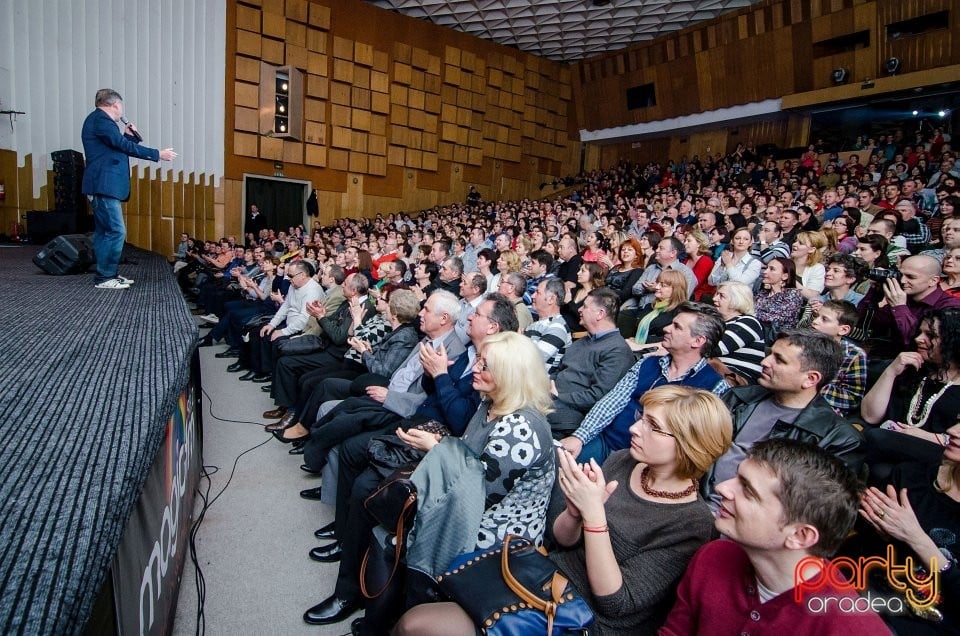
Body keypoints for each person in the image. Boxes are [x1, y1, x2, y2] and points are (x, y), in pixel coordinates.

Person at [397, 386, 734, 636]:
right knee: (417, 618)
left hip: (583, 617)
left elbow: (616, 603)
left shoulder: (691, 523)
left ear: (690, 443)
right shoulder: (624, 461)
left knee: (418, 626)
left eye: (652, 426)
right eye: (640, 418)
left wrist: (594, 517)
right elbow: (562, 540)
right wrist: (574, 512)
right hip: (546, 578)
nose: (634, 429)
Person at [391, 332, 556, 634]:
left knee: (405, 526)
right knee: (396, 516)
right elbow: (472, 459)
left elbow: (479, 495)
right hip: (472, 507)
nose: (476, 369)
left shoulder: (520, 427)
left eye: (486, 365)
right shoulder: (489, 403)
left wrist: (438, 449)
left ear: (510, 375)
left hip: (501, 537)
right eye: (479, 360)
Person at [660, 439, 889, 635]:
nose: (722, 488)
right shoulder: (714, 556)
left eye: (748, 490)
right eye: (737, 478)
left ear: (800, 535)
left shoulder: (851, 627)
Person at [704, 329, 864, 506]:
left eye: (779, 360)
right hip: (697, 498)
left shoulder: (838, 438)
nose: (764, 362)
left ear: (810, 379)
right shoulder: (739, 398)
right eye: (770, 354)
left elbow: (816, 506)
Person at [562, 302, 728, 465]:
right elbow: (612, 402)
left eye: (677, 327)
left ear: (698, 341)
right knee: (562, 463)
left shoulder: (715, 387)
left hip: (650, 464)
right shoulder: (647, 363)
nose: (666, 328)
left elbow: (697, 442)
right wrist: (580, 437)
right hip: (608, 443)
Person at [840, 422, 960, 634]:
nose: (952, 430)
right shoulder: (911, 476)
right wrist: (879, 527)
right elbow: (861, 539)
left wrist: (916, 538)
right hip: (867, 588)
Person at [81, 88, 176, 289]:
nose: (121, 111)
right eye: (121, 106)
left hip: (102, 184)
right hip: (103, 184)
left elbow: (118, 148)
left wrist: (128, 137)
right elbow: (121, 146)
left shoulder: (101, 122)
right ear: (115, 104)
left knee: (105, 232)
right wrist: (157, 154)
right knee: (116, 231)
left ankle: (107, 274)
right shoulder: (101, 120)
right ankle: (105, 277)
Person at [860, 308, 960, 484]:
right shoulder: (912, 370)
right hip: (889, 452)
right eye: (920, 332)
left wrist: (919, 435)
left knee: (876, 437)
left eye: (930, 335)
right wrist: (891, 371)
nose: (918, 339)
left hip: (939, 455)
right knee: (883, 469)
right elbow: (870, 415)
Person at [810, 300, 867, 417]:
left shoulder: (854, 355)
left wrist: (814, 385)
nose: (815, 321)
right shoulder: (801, 343)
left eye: (824, 319)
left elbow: (853, 398)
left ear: (843, 330)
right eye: (816, 316)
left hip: (823, 409)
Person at [710, 281, 766, 385]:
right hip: (717, 372)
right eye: (716, 294)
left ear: (736, 301)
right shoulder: (718, 323)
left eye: (721, 296)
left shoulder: (749, 322)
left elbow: (716, 348)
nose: (714, 298)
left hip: (739, 378)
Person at [754, 257, 805, 332]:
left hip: (777, 337)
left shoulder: (793, 294)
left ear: (785, 276)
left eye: (772, 269)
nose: (765, 271)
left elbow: (777, 318)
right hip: (757, 330)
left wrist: (752, 315)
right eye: (766, 268)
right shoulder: (763, 292)